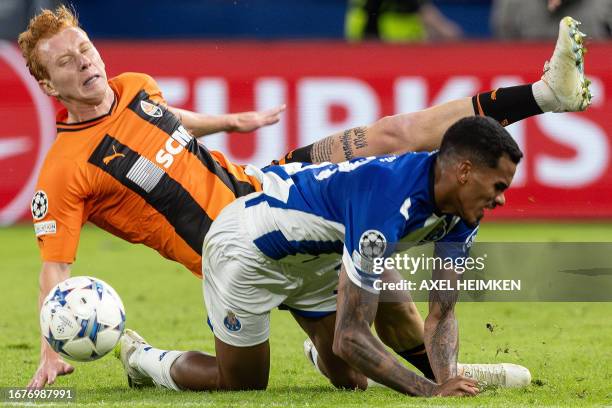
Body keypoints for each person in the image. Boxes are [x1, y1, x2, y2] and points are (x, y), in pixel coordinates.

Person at [20, 5, 590, 389]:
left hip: (273, 188)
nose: (85, 62)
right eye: (66, 62)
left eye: (85, 47)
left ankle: (544, 92)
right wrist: (52, 343)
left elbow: (173, 121)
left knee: (390, 135)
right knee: (251, 383)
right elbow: (56, 268)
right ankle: (143, 359)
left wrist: (231, 121)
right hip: (235, 253)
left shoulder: (135, 86)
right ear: (48, 85)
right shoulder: (66, 169)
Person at [118, 115, 521, 397]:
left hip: (320, 256)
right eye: (499, 185)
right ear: (464, 172)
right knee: (240, 385)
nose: (501, 199)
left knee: (354, 382)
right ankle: (144, 359)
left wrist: (449, 379)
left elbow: (442, 313)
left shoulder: (466, 213)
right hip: (248, 250)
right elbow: (351, 337)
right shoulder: (386, 201)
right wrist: (431, 391)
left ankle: (319, 349)